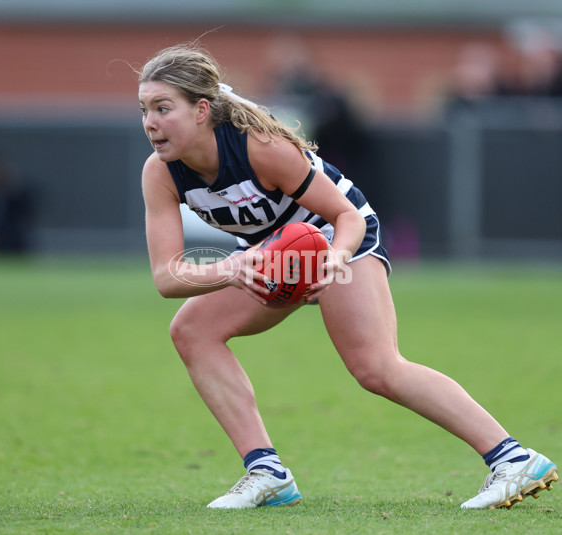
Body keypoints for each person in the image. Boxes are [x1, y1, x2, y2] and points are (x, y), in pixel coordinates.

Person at [137, 43, 558, 510]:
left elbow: (346, 215)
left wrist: (335, 260)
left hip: (339, 236)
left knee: (376, 368)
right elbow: (166, 277)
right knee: (192, 330)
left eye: (162, 108)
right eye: (145, 110)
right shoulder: (161, 173)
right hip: (268, 255)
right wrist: (233, 267)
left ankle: (514, 459)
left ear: (201, 111)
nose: (150, 122)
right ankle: (267, 474)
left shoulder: (260, 147)